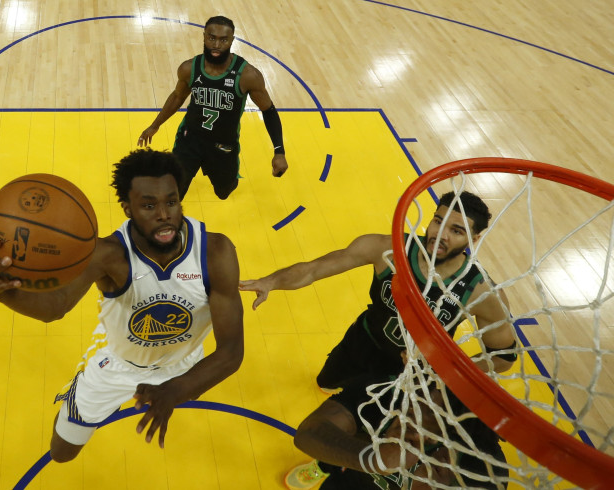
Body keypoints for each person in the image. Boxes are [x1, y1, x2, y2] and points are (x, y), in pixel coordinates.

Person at [0, 149, 244, 462]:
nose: (164, 213)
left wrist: (176, 389)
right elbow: (55, 306)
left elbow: (231, 352)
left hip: (184, 362)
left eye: (171, 201)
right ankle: (80, 393)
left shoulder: (215, 251)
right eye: (149, 205)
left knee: (186, 384)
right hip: (120, 365)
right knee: (61, 453)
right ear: (127, 209)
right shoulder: (108, 254)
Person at [240, 191, 517, 393]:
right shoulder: (389, 250)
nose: (441, 234)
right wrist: (271, 281)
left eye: (456, 230)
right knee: (325, 383)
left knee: (362, 429)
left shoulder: (480, 290)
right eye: (438, 221)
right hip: (364, 340)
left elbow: (502, 358)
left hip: (410, 371)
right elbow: (314, 269)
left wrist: (445, 368)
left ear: (474, 239)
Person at [137, 15, 289, 200]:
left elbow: (268, 111)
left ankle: (226, 179)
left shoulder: (247, 75)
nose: (216, 44)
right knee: (174, 192)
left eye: (223, 40)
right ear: (204, 37)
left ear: (232, 40)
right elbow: (178, 96)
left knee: (223, 192)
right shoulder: (189, 68)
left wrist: (279, 151)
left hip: (223, 145)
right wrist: (155, 125)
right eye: (212, 38)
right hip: (189, 139)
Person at [285, 371, 509, 489]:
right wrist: (372, 460)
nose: (416, 404)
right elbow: (308, 433)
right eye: (425, 391)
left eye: (431, 411)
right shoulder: (386, 392)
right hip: (353, 479)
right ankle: (323, 467)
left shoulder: (483, 465)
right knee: (333, 457)